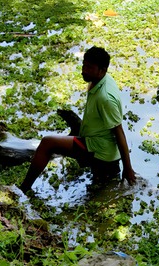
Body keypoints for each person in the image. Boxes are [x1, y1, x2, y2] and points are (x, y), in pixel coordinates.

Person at [19, 47, 137, 192]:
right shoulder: (100, 80)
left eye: (89, 67)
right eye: (84, 65)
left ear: (102, 70)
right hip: (95, 142)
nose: (84, 70)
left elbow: (119, 132)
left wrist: (128, 168)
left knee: (47, 143)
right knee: (99, 187)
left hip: (99, 151)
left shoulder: (105, 98)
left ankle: (23, 189)